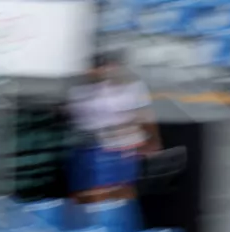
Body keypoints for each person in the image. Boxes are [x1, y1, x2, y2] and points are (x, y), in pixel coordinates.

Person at [67, 52, 160, 203]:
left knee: (124, 191)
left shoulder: (135, 87)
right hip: (93, 148)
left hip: (125, 149)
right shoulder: (80, 91)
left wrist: (152, 141)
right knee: (93, 193)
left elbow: (145, 116)